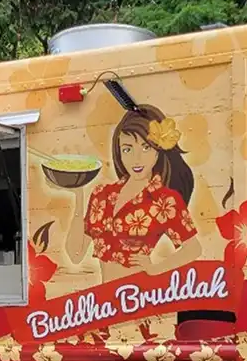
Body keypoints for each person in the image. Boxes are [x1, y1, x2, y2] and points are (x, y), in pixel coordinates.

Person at [66, 104, 202, 282]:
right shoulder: (102, 195)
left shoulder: (164, 200)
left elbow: (193, 249)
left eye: (145, 148)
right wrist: (78, 195)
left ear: (157, 151)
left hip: (141, 299)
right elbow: (75, 254)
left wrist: (156, 269)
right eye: (127, 149)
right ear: (119, 152)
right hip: (105, 303)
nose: (136, 159)